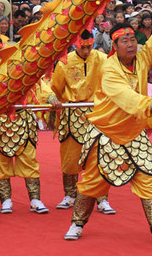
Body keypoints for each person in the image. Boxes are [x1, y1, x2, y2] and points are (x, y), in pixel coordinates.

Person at [64, 0, 152, 247]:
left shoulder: (143, 58)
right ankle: (77, 223)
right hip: (107, 135)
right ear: (113, 46)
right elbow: (127, 98)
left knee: (149, 181)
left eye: (132, 39)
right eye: (124, 40)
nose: (130, 43)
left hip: (135, 134)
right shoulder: (109, 69)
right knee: (92, 183)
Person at [0, 35, 51, 215]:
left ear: (1, 50)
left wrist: (51, 98)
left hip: (22, 120)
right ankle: (6, 201)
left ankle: (35, 200)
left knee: (29, 160)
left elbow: (39, 86)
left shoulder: (19, 66)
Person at [50, 30, 115, 214]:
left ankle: (102, 198)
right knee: (70, 159)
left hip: (97, 112)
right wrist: (52, 103)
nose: (86, 51)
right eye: (82, 47)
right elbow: (55, 88)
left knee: (100, 157)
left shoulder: (103, 59)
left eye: (89, 47)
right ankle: (70, 195)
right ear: (75, 45)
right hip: (72, 114)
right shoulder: (64, 62)